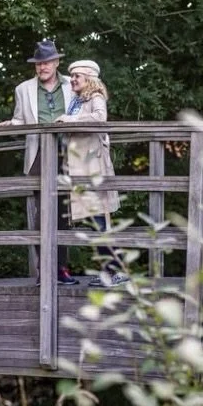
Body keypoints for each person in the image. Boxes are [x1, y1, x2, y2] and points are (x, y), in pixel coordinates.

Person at [0, 39, 78, 285]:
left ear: (56, 63)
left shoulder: (72, 85)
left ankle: (61, 269)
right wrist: (13, 124)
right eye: (38, 64)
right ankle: (45, 271)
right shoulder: (23, 89)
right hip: (39, 153)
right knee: (43, 213)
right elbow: (21, 119)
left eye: (47, 63)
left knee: (64, 214)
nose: (42, 68)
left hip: (68, 153)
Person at [55, 60, 127, 287]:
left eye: (77, 76)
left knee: (99, 220)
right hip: (79, 167)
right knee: (95, 221)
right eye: (72, 76)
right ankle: (111, 270)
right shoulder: (78, 100)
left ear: (89, 79)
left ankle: (116, 271)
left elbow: (99, 118)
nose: (73, 79)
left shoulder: (95, 96)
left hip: (92, 168)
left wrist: (71, 119)